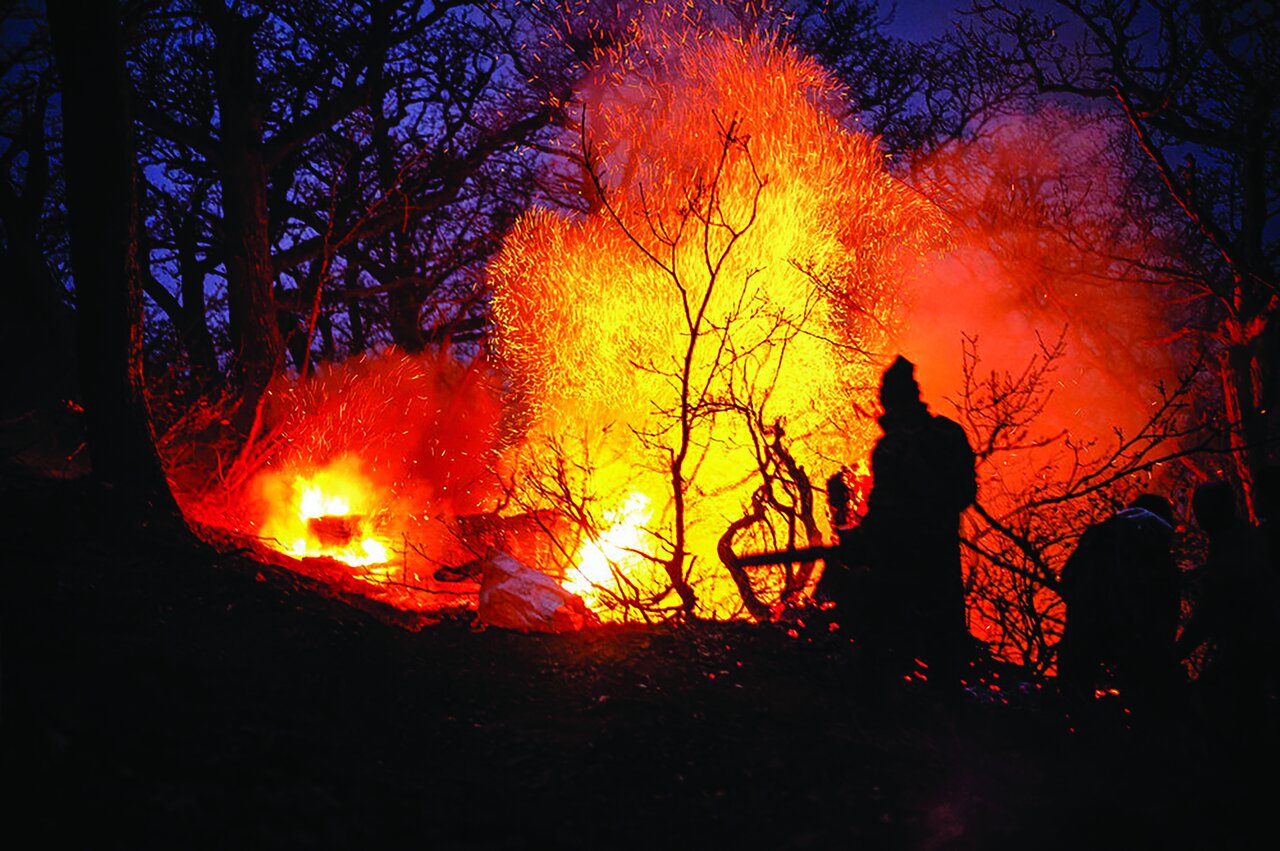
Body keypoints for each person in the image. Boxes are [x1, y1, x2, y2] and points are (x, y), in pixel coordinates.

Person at [845, 355, 978, 685]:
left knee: (883, 644)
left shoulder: (892, 448)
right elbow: (965, 493)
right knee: (943, 648)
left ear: (890, 402)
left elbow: (884, 512)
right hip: (942, 557)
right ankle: (945, 703)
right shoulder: (948, 434)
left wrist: (859, 538)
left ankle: (887, 703)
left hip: (900, 563)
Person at [1056, 494, 1182, 715]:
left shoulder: (1097, 537)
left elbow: (1067, 580)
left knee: (1073, 704)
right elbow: (1167, 607)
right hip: (1134, 642)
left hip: (1084, 633)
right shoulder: (1158, 552)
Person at [1178, 480, 1270, 728]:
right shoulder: (1242, 538)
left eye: (1202, 508)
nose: (1198, 515)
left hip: (1250, 647)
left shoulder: (1234, 548)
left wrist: (1175, 653)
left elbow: (1207, 613)